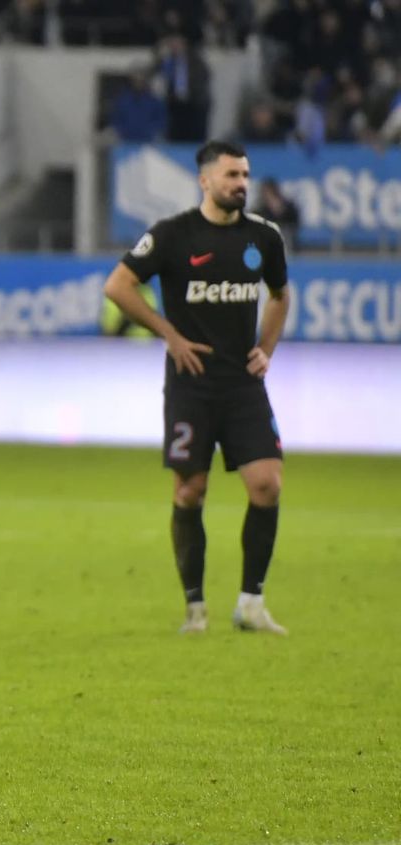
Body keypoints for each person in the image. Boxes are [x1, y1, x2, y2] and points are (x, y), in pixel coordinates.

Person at [102, 140, 290, 636]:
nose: (241, 184)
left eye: (245, 174)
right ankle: (195, 607)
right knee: (190, 490)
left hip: (243, 384)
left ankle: (251, 603)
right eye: (231, 175)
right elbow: (118, 285)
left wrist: (266, 348)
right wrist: (169, 333)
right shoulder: (172, 235)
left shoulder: (264, 238)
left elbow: (279, 295)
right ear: (205, 181)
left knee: (267, 484)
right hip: (191, 387)